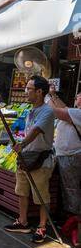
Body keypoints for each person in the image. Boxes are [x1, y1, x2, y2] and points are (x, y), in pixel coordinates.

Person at [4, 75, 55, 243]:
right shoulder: (31, 109)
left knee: (41, 196)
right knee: (22, 191)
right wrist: (22, 147)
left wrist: (22, 144)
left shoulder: (47, 111)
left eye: (29, 89)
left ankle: (41, 227)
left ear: (39, 92)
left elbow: (36, 131)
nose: (26, 92)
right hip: (26, 157)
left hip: (40, 160)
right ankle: (23, 221)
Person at [47, 89, 81, 220]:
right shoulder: (75, 112)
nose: (77, 96)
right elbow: (64, 107)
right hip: (67, 154)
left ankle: (74, 219)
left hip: (71, 155)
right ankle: (70, 216)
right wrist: (53, 94)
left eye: (80, 95)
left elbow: (56, 112)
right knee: (67, 187)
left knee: (70, 188)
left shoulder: (78, 113)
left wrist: (45, 95)